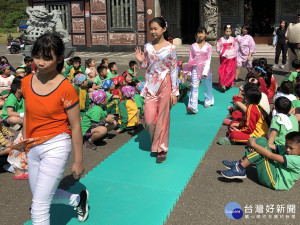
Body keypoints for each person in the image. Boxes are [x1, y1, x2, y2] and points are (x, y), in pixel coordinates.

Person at [8, 34, 89, 224]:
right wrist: (23, 145)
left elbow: (76, 125)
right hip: (32, 145)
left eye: (47, 58)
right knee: (42, 195)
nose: (40, 62)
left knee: (39, 206)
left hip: (56, 145)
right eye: (37, 56)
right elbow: (29, 113)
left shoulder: (66, 87)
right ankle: (78, 200)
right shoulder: (27, 81)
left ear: (60, 58)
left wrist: (78, 161)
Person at [135, 16, 178, 163]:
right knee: (148, 119)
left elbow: (173, 69)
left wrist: (175, 92)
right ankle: (156, 141)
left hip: (165, 84)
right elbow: (147, 64)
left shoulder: (171, 48)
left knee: (163, 118)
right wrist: (142, 61)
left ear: (163, 29)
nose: (153, 31)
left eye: (155, 28)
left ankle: (161, 148)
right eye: (151, 29)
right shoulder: (147, 47)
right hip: (151, 85)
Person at [221, 132, 300, 191]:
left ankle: (240, 168)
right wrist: (255, 141)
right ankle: (240, 163)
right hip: (273, 173)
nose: (287, 149)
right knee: (262, 140)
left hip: (274, 181)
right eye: (286, 146)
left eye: (291, 148)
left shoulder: (297, 160)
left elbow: (272, 156)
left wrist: (254, 145)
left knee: (262, 151)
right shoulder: (288, 150)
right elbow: (268, 144)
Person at [183, 26, 214, 113]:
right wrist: (189, 71)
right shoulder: (193, 46)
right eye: (199, 33)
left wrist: (205, 71)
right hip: (195, 68)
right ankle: (193, 106)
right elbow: (190, 59)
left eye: (202, 33)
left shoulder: (208, 46)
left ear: (205, 34)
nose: (200, 35)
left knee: (206, 85)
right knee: (194, 86)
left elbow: (208, 59)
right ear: (196, 34)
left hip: (205, 68)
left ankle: (208, 100)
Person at [216, 25, 238, 92]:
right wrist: (221, 52)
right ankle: (223, 84)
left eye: (229, 31)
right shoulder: (221, 39)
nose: (228, 33)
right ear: (224, 31)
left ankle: (228, 83)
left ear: (231, 32)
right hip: (224, 57)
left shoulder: (233, 39)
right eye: (226, 31)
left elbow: (236, 47)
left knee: (230, 71)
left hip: (231, 57)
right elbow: (218, 47)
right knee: (223, 71)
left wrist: (232, 52)